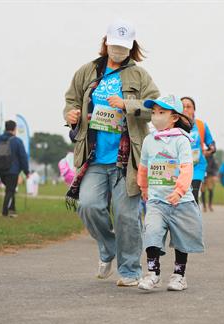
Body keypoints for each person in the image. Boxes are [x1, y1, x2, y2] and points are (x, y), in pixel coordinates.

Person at [63, 18, 159, 286]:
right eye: (114, 45)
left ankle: (129, 271)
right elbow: (71, 99)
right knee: (88, 205)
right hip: (93, 156)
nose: (118, 50)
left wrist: (128, 104)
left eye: (124, 46)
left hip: (127, 159)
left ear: (132, 47)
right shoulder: (87, 71)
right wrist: (71, 114)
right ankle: (108, 249)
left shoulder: (140, 75)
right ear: (106, 43)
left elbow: (155, 108)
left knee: (127, 215)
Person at [137, 95, 204, 291]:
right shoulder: (149, 140)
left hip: (180, 201)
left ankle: (178, 275)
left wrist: (180, 190)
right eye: (154, 113)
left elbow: (187, 167)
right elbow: (143, 166)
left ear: (174, 117)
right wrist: (144, 187)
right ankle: (152, 273)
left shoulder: (182, 140)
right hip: (157, 201)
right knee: (152, 233)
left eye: (162, 113)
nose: (156, 117)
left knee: (182, 238)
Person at [0, 120, 29, 217]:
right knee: (10, 190)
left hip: (0, 170)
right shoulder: (17, 141)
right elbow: (23, 157)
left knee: (10, 189)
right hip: (13, 170)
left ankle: (12, 208)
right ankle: (5, 211)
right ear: (14, 129)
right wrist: (26, 171)